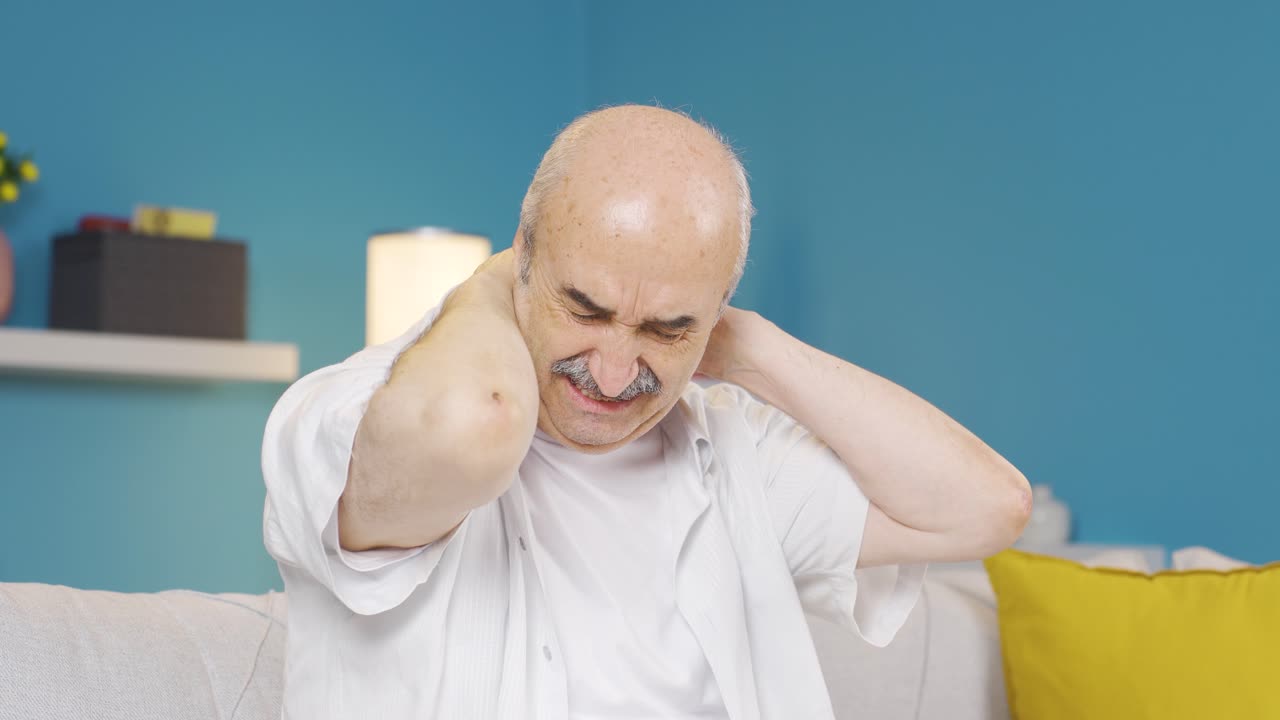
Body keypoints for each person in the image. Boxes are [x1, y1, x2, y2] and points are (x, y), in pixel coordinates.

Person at [261, 104, 1031, 720]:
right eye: (584, 308)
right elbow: (475, 425)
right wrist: (494, 282)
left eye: (667, 328)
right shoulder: (350, 418)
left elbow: (989, 506)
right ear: (524, 255)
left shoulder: (733, 451)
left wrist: (750, 349)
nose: (614, 371)